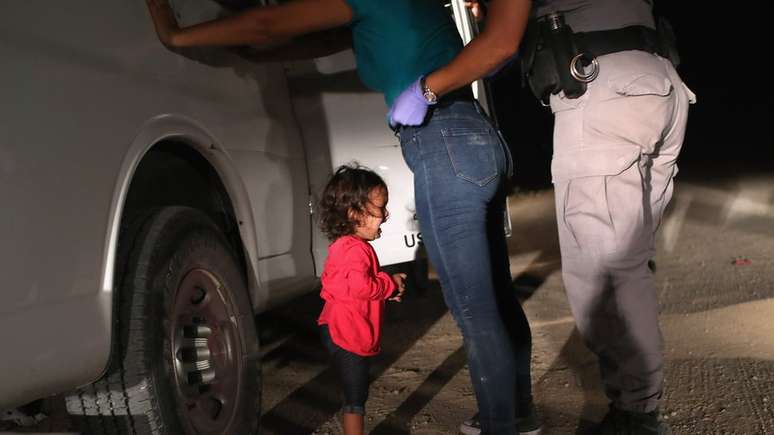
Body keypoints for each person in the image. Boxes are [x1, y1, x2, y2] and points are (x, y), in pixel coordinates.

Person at [144, 1, 535, 433]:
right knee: (494, 298)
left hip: (442, 141)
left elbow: (267, 23)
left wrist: (176, 35)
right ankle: (518, 413)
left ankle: (502, 426)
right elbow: (304, 40)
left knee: (473, 310)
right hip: (474, 138)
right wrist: (248, 50)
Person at [516, 1, 696, 433]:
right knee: (629, 263)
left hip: (602, 87)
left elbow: (503, 31)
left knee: (606, 275)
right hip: (658, 81)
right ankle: (636, 407)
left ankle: (636, 416)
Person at [316, 165, 406, 435]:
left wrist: (387, 290)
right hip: (347, 333)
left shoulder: (345, 246)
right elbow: (360, 286)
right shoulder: (355, 250)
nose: (386, 215)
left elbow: (352, 289)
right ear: (355, 214)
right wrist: (389, 284)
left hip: (335, 326)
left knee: (353, 394)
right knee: (355, 400)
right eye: (380, 208)